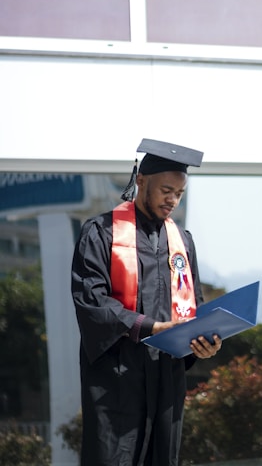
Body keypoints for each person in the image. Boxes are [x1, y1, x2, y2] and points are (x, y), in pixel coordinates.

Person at [71, 138, 222, 466]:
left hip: (167, 375)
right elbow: (91, 299)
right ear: (140, 181)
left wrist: (202, 342)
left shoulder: (182, 241)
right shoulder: (101, 233)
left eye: (179, 194)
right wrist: (152, 327)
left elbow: (193, 305)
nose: (173, 200)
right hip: (117, 377)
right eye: (166, 190)